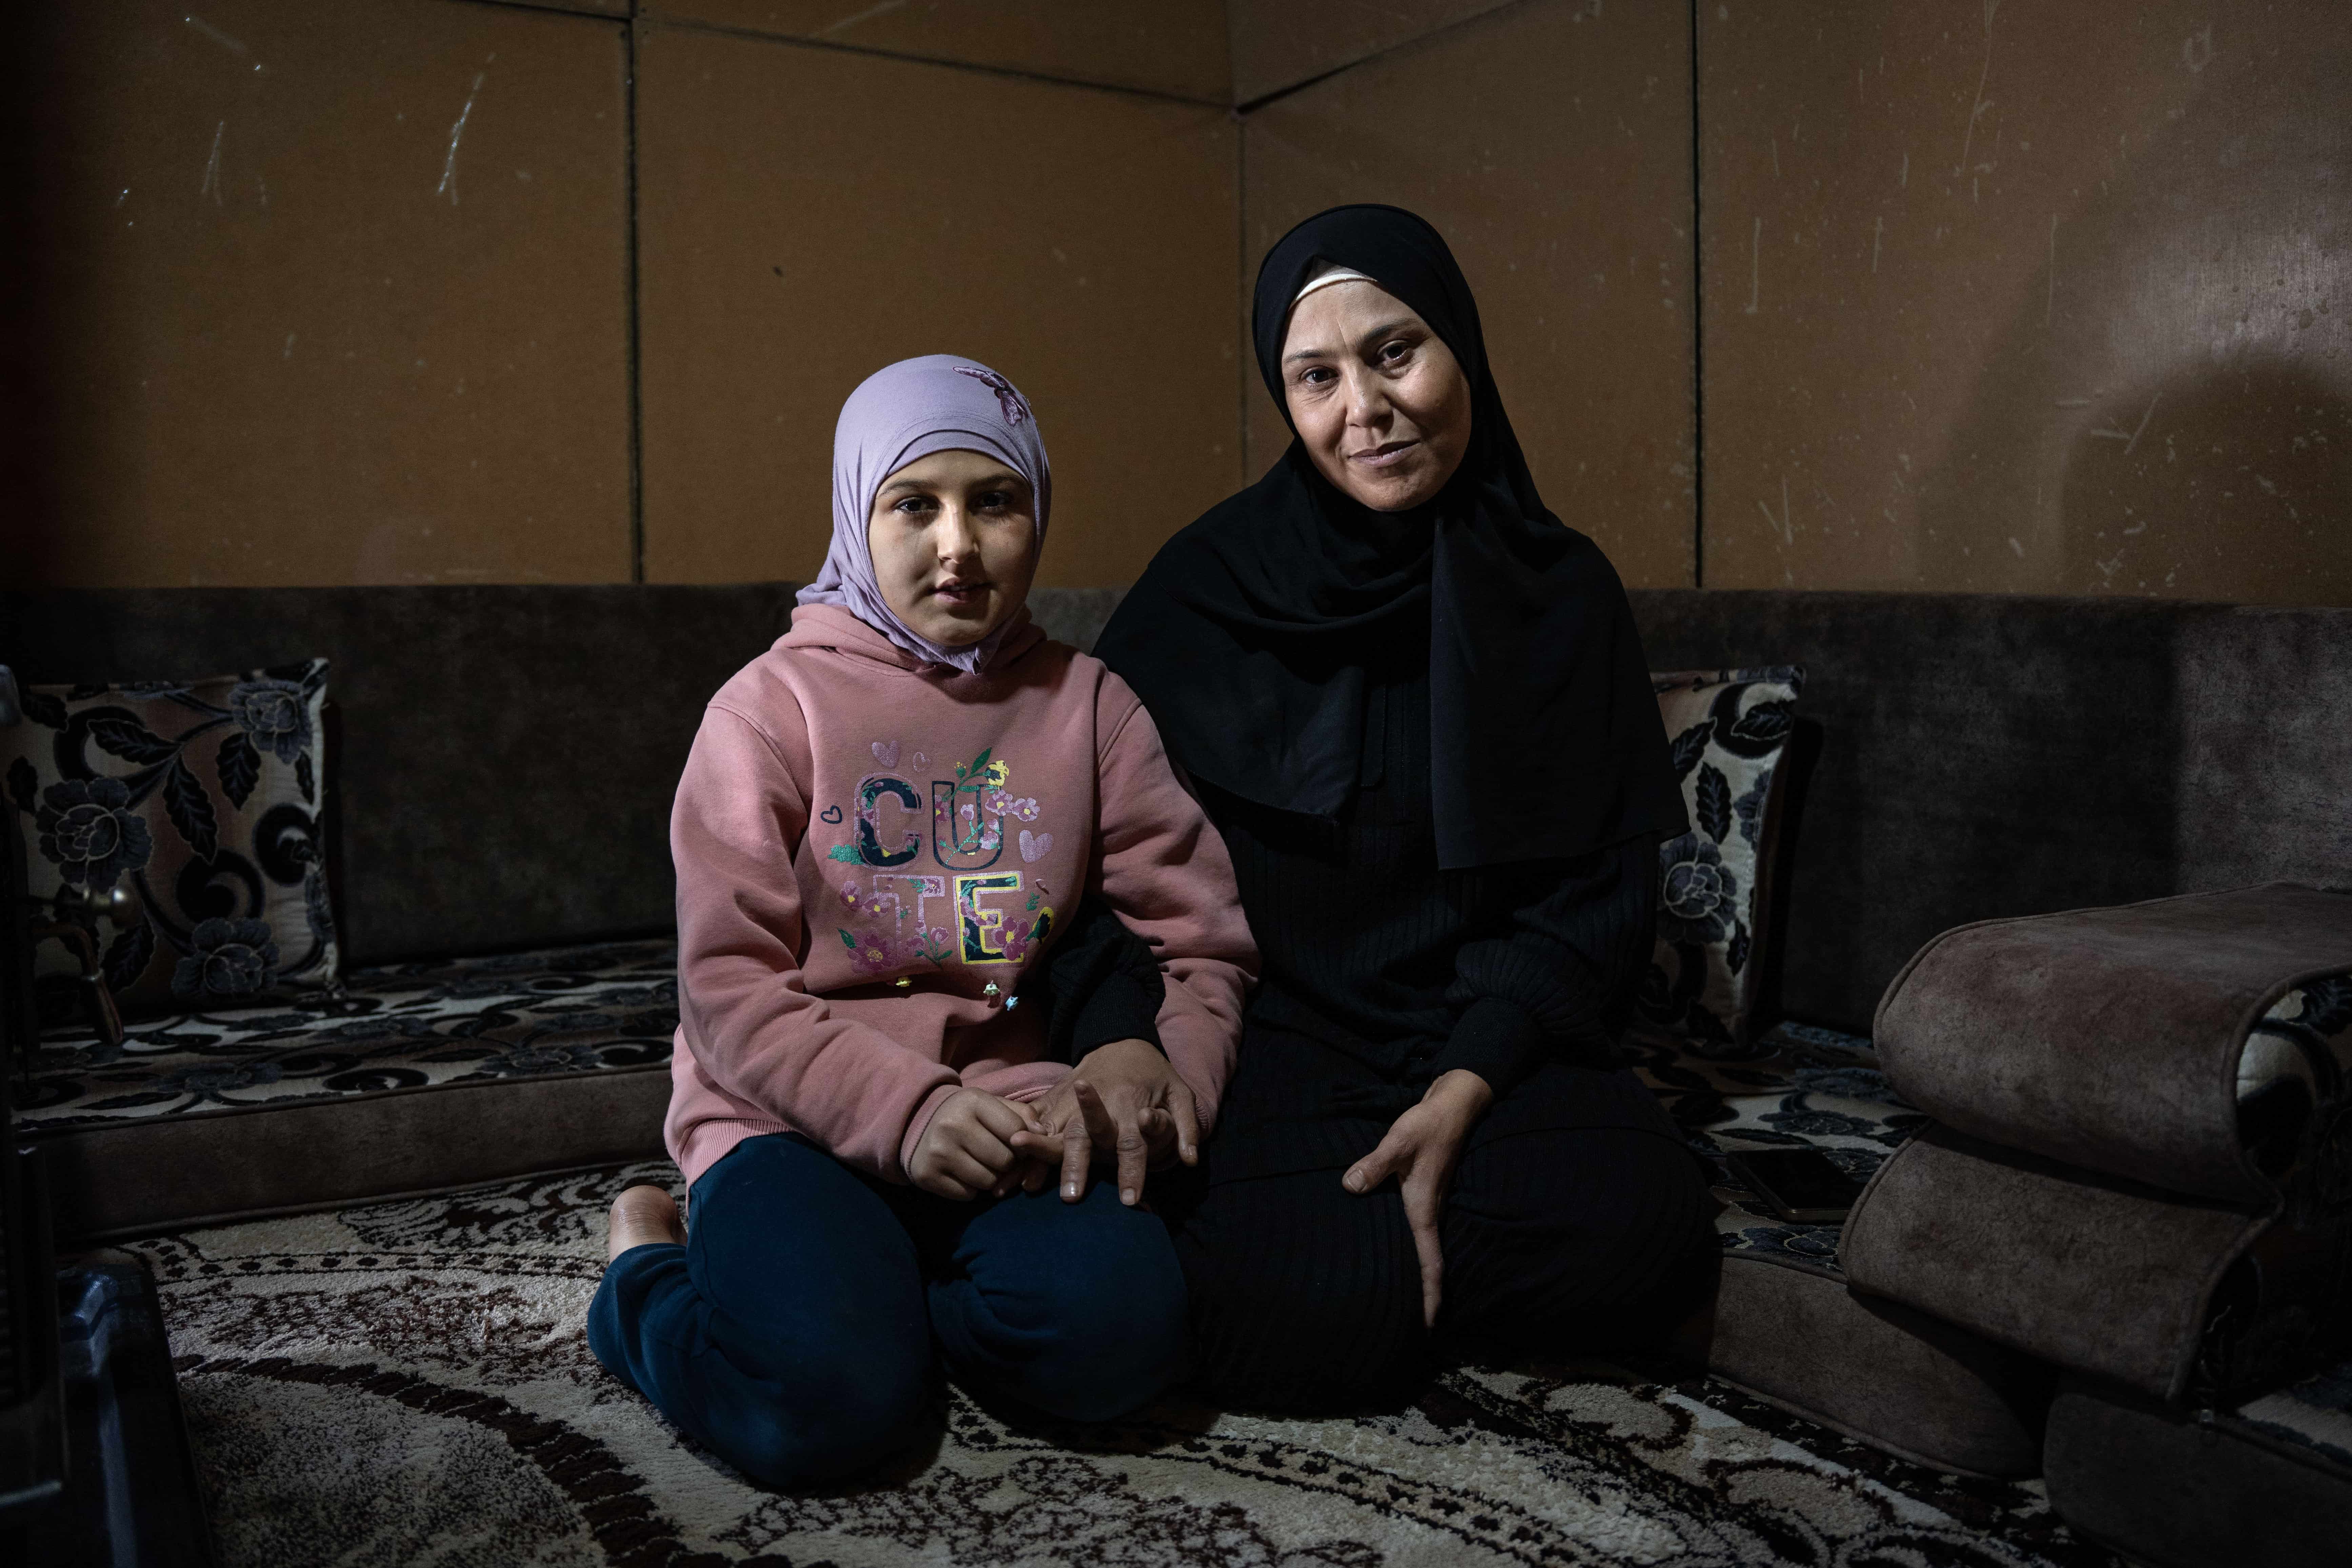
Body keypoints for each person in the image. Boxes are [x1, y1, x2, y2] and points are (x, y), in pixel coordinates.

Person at [591, 355, 1257, 1484]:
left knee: (1122, 1343)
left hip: (1011, 1118)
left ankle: (879, 1311)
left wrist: (1163, 1084)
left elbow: (1200, 943)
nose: (957, 544)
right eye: (915, 503)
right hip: (789, 1120)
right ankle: (642, 1278)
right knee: (818, 1412)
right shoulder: (768, 710)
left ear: (1035, 513)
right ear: (858, 511)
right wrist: (902, 1115)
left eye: (992, 501)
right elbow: (727, 990)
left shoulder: (1091, 706)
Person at [1094, 206, 1716, 1412]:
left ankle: (1381, 1278)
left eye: (1394, 354)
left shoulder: (1563, 590)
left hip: (1480, 1039)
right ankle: (1369, 1280)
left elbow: (1593, 901)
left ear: (1463, 353)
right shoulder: (1203, 587)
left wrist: (1464, 1084)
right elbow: (1103, 864)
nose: (1362, 410)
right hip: (1270, 1030)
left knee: (1651, 1229)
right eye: (1313, 376)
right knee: (1260, 1312)